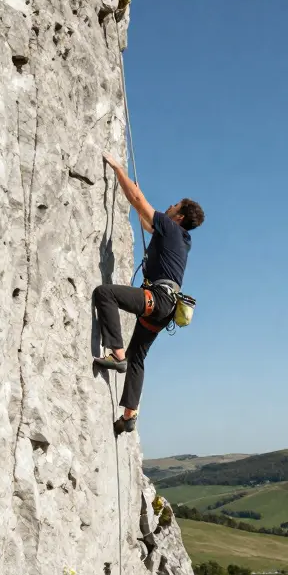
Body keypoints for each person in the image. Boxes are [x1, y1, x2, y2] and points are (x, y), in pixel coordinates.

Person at [92, 151, 205, 435]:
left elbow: (139, 204)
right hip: (167, 307)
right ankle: (129, 415)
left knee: (105, 294)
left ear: (177, 217)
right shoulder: (182, 238)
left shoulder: (169, 228)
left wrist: (118, 169)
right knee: (138, 356)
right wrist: (139, 203)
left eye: (174, 205)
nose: (169, 205)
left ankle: (116, 355)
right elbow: (146, 220)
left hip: (159, 298)